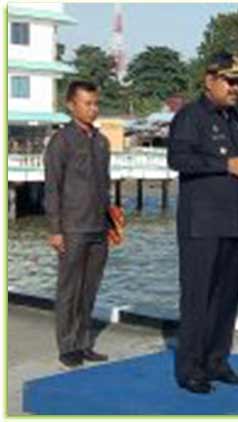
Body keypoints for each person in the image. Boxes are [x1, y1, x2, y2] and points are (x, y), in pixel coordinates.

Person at [167, 52, 238, 394]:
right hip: (202, 224)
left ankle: (217, 361)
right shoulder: (190, 116)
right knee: (198, 298)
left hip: (235, 221)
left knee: (226, 298)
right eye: (230, 81)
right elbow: (178, 158)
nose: (236, 88)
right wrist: (223, 164)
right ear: (209, 80)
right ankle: (192, 369)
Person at [44, 80, 111, 369]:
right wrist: (55, 229)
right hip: (72, 227)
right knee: (69, 289)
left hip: (99, 226)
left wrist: (111, 220)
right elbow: (52, 188)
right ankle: (68, 345)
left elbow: (104, 184)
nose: (93, 109)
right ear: (71, 105)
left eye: (96, 103)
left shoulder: (101, 141)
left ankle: (84, 342)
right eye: (87, 103)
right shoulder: (61, 141)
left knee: (90, 288)